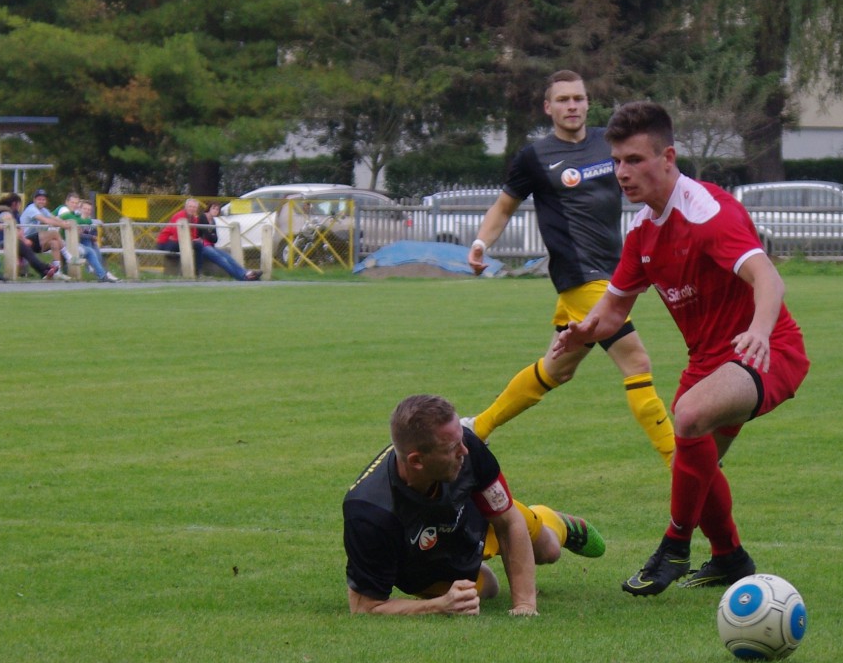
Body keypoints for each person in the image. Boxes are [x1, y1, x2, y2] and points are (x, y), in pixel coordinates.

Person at [553, 101, 810, 596]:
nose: (622, 173)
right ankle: (730, 557)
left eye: (635, 160)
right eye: (617, 162)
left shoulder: (708, 213)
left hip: (767, 349)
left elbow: (767, 277)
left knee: (689, 416)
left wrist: (758, 330)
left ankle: (672, 548)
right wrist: (583, 332)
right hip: (708, 361)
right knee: (696, 465)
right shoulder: (643, 233)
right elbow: (612, 310)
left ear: (667, 157)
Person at [465, 70, 674, 469]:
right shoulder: (534, 156)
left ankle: (478, 428)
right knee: (637, 363)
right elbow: (504, 206)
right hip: (581, 279)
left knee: (556, 370)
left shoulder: (607, 143)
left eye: (578, 98)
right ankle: (680, 462)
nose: (572, 106)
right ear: (549, 107)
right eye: (563, 100)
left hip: (616, 276)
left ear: (587, 102)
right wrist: (480, 244)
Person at [343, 394, 606, 616]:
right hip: (427, 559)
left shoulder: (468, 446)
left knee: (548, 550)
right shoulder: (369, 511)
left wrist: (525, 605)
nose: (465, 451)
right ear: (417, 461)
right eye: (452, 447)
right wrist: (440, 605)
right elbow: (364, 605)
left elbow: (508, 521)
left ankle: (553, 519)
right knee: (485, 589)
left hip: (481, 515)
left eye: (461, 439)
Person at [156, 198, 260, 281]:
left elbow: (211, 238)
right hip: (169, 242)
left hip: (203, 244)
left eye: (194, 207)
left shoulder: (199, 219)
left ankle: (246, 273)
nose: (192, 209)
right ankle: (243, 276)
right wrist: (196, 239)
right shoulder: (193, 217)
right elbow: (181, 236)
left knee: (227, 256)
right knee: (219, 258)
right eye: (190, 206)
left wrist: (197, 239)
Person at [0, 193, 61, 279]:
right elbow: (9, 223)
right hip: (6, 241)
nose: (20, 207)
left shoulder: (16, 213)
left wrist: (23, 237)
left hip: (17, 240)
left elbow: (20, 229)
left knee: (27, 251)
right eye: (19, 204)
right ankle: (45, 268)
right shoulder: (4, 212)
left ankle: (44, 271)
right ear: (15, 204)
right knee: (27, 251)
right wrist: (24, 240)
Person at [19, 189, 73, 276]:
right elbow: (46, 220)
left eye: (43, 199)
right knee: (53, 233)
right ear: (34, 200)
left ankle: (57, 271)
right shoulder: (31, 209)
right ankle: (67, 256)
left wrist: (64, 223)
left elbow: (53, 217)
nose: (41, 201)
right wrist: (63, 226)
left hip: (33, 241)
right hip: (24, 240)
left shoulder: (43, 209)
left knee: (54, 243)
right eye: (39, 199)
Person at [72, 199, 118, 282]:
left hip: (89, 243)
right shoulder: (77, 218)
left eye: (89, 210)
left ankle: (103, 272)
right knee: (88, 241)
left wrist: (93, 237)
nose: (87, 211)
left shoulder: (90, 221)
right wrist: (90, 236)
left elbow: (95, 233)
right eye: (85, 209)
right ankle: (99, 271)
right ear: (81, 209)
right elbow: (78, 234)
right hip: (78, 243)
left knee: (95, 246)